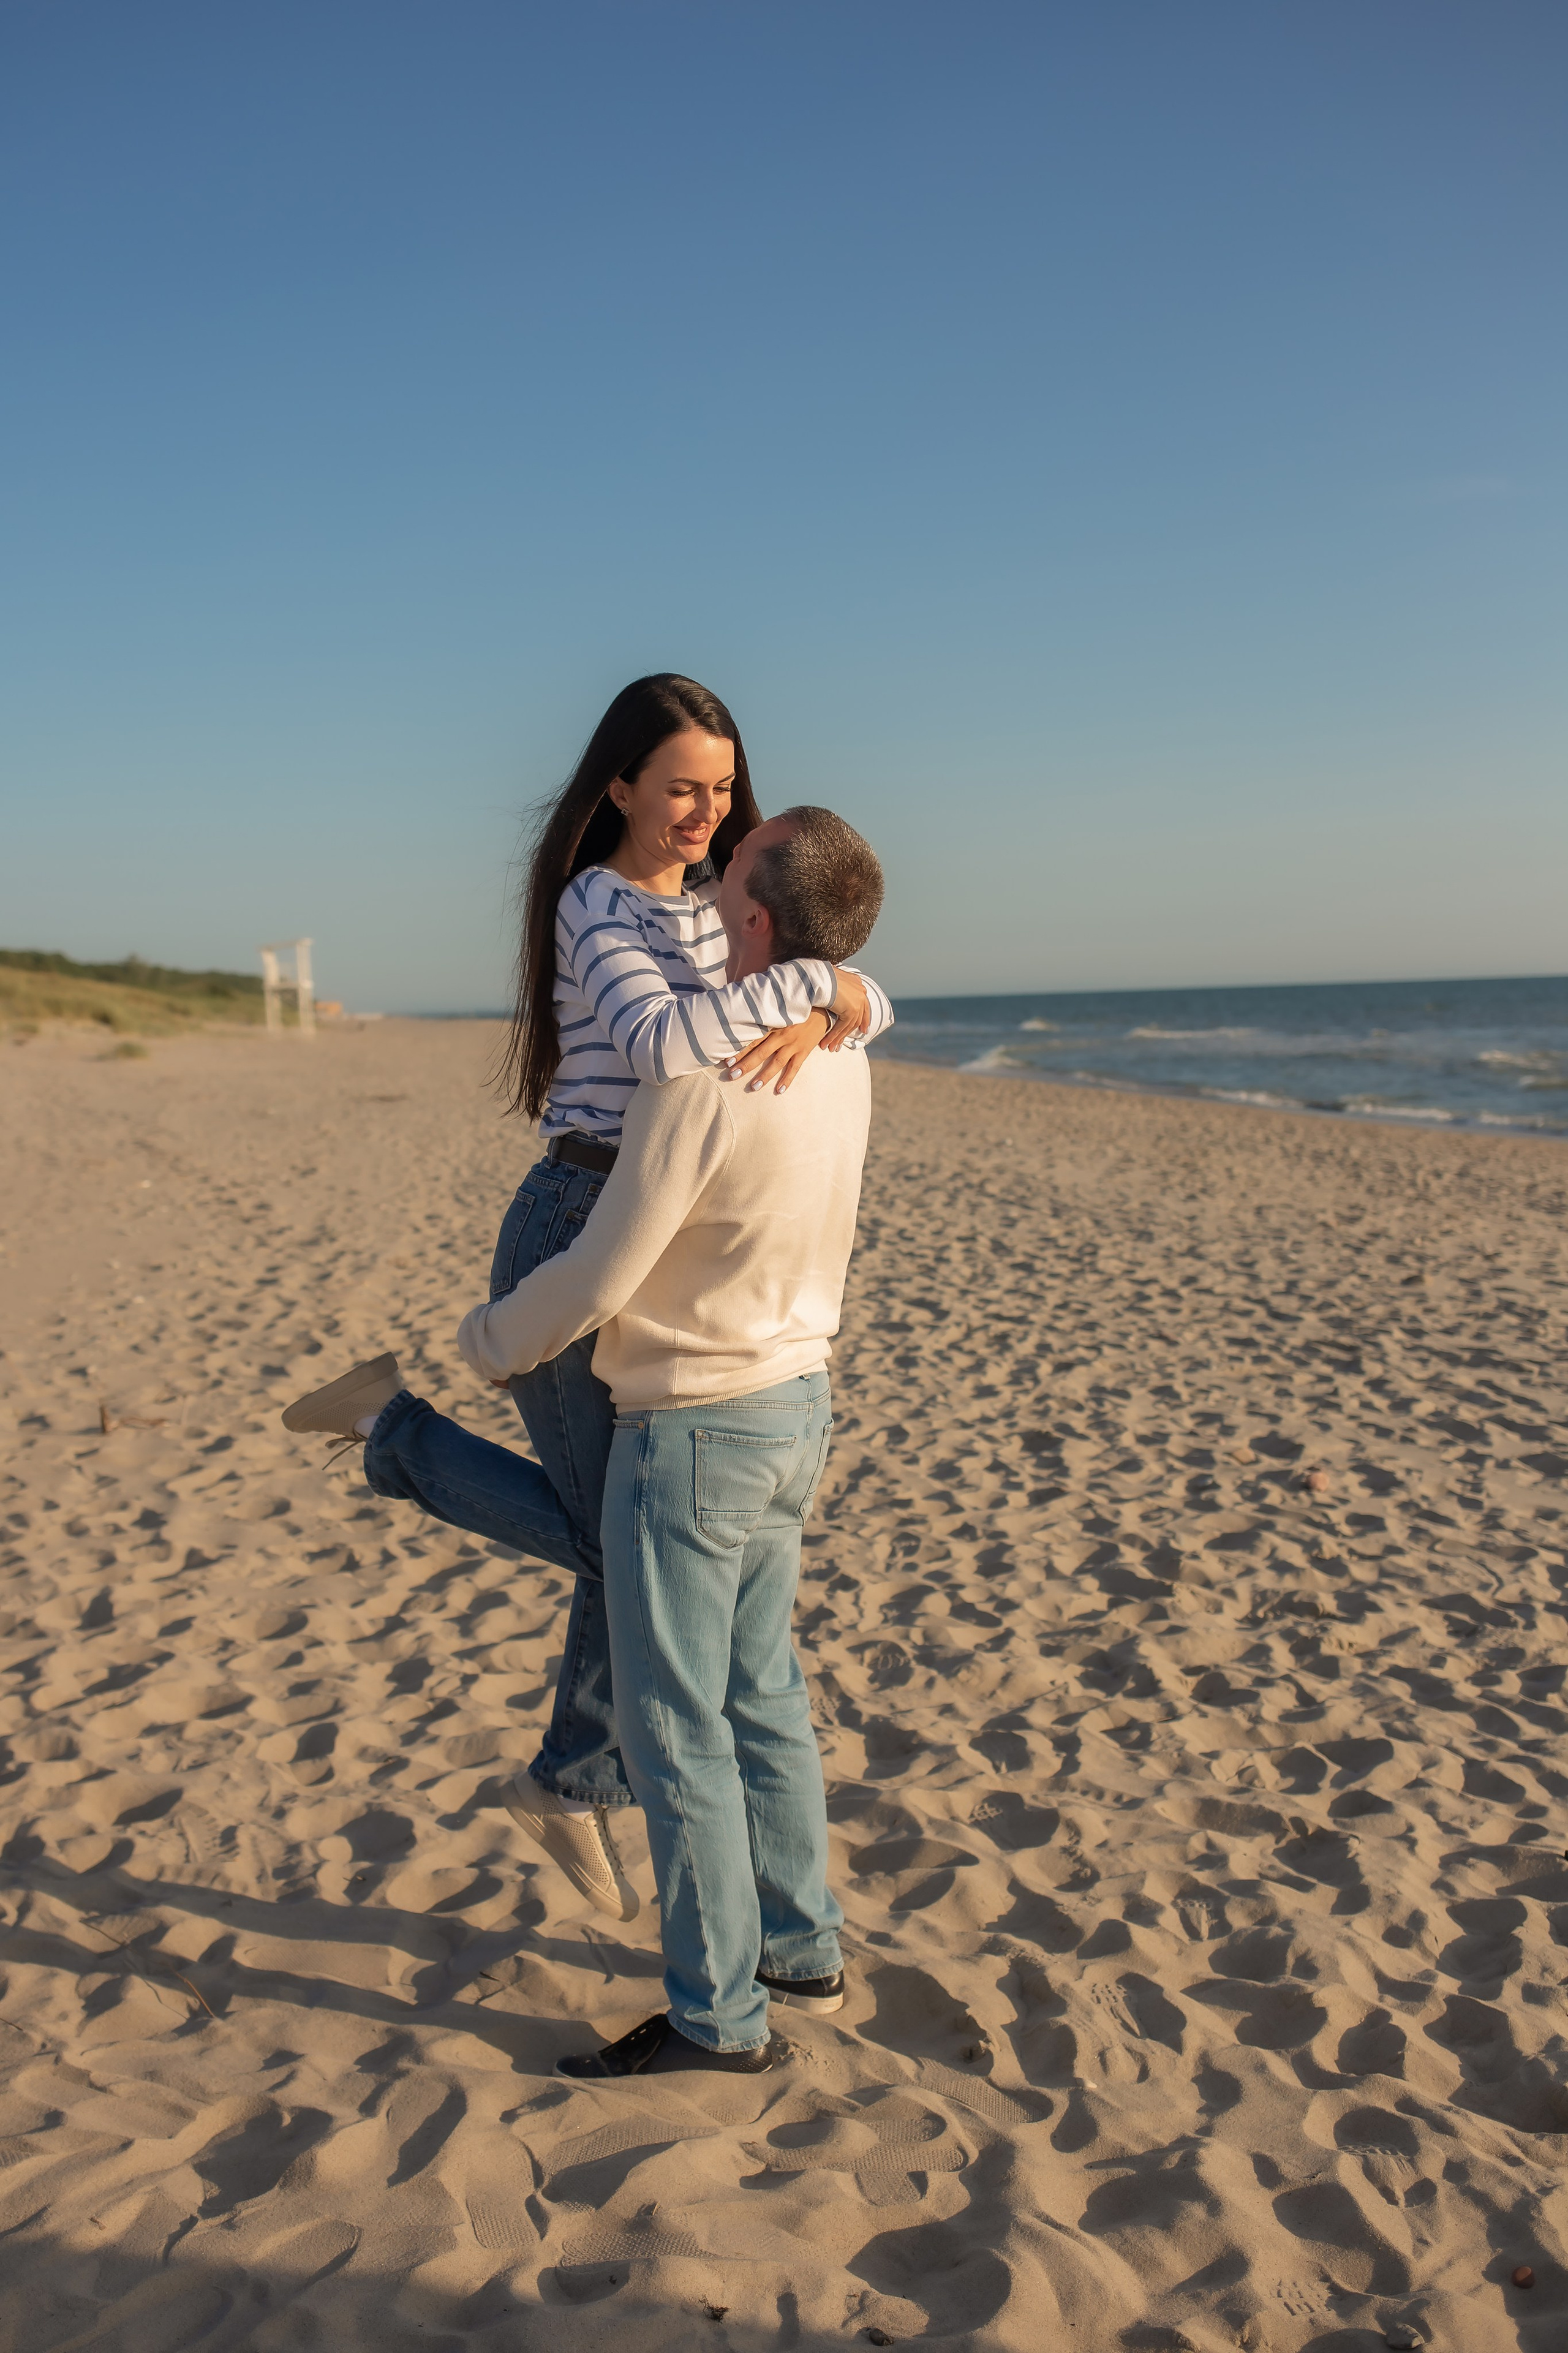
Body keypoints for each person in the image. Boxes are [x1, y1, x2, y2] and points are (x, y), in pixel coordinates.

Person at [282, 675, 892, 1928]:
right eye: (680, 788)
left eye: (722, 789)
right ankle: (394, 1435)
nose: (705, 813)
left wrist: (847, 994)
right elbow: (668, 1047)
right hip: (580, 1216)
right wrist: (813, 992)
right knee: (629, 1545)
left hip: (672, 1228)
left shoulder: (724, 904)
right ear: (619, 785)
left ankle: (571, 1778)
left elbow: (861, 994)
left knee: (635, 1539)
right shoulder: (594, 905)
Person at [453, 806, 882, 2076]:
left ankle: (717, 2019)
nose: (713, 854)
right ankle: (801, 1949)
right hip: (797, 1403)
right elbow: (853, 1004)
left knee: (677, 1727)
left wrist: (490, 1338)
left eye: (732, 861)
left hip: (694, 1424)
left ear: (753, 914)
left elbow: (600, 1270)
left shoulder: (701, 1080)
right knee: (764, 1693)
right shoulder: (840, 1054)